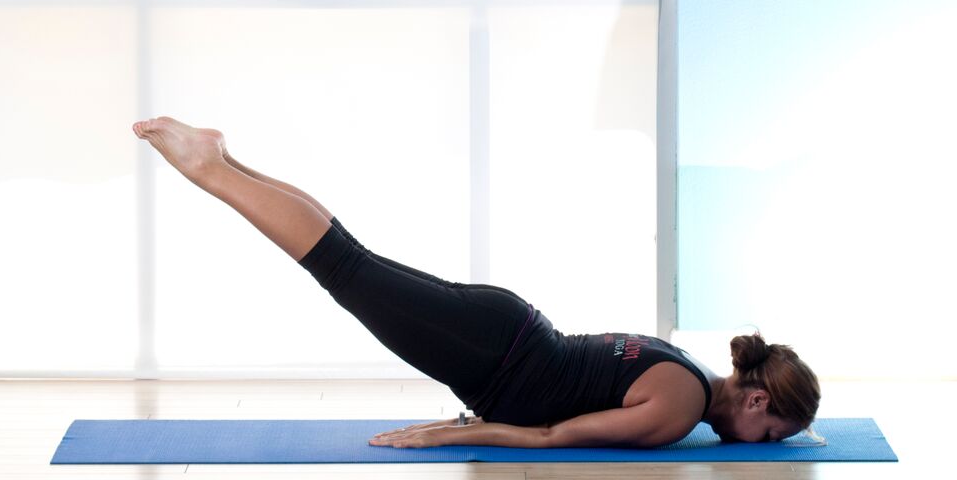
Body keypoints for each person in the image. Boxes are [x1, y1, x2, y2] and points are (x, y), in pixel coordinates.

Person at [132, 116, 821, 449]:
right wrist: (450, 436)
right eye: (772, 436)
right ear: (757, 400)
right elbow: (554, 437)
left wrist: (460, 426)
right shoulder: (677, 414)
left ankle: (225, 159)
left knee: (350, 261)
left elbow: (565, 409)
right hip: (492, 356)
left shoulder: (688, 370)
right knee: (343, 269)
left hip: (506, 325)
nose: (760, 447)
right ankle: (209, 169)